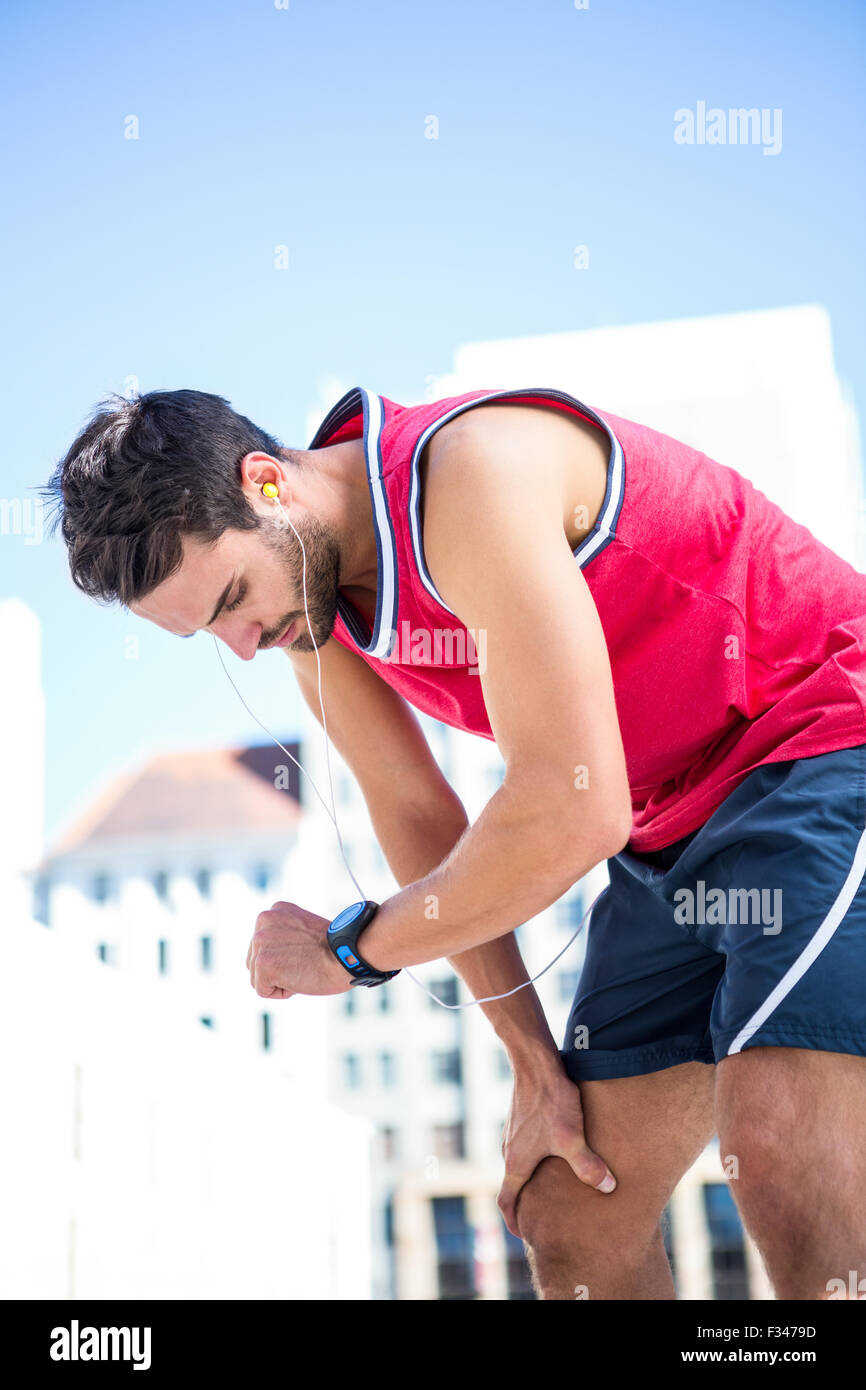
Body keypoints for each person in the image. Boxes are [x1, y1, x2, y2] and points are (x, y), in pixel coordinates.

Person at [44, 384, 866, 1300]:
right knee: (570, 1215)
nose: (245, 645)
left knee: (781, 1147)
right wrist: (531, 1065)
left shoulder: (470, 472)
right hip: (669, 831)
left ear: (266, 483)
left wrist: (352, 950)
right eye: (213, 631)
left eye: (235, 598)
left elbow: (569, 811)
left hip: (820, 734)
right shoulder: (308, 608)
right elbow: (418, 819)